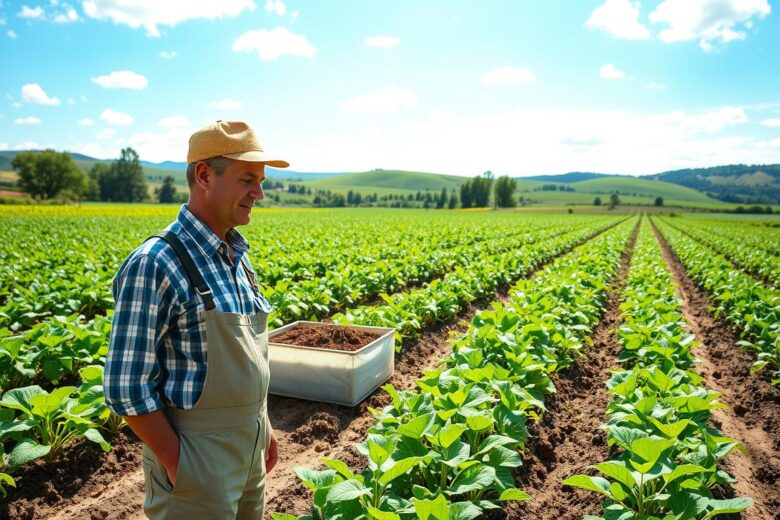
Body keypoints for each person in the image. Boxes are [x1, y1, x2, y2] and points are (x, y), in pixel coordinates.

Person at [104, 120, 289, 519]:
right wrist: (178, 463)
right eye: (247, 179)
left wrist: (262, 424)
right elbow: (125, 386)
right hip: (197, 460)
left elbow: (248, 360)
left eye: (260, 180)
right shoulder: (156, 263)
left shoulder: (238, 258)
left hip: (250, 448)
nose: (258, 192)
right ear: (204, 175)